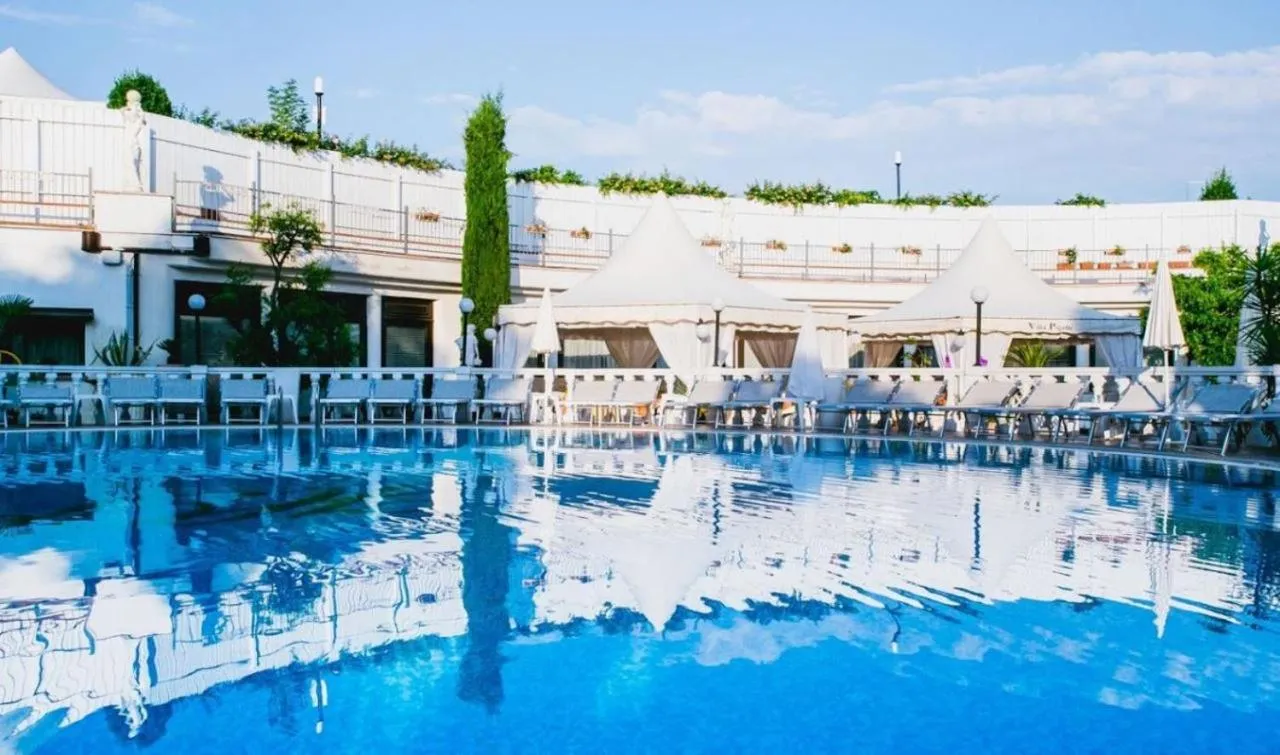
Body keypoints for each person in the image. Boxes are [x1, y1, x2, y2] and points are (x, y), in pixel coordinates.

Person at [121, 90, 147, 191]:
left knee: (130, 163)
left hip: (131, 142)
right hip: (135, 143)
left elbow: (126, 113)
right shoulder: (140, 115)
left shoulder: (132, 114)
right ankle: (135, 183)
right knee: (132, 164)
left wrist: (126, 108)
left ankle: (135, 184)